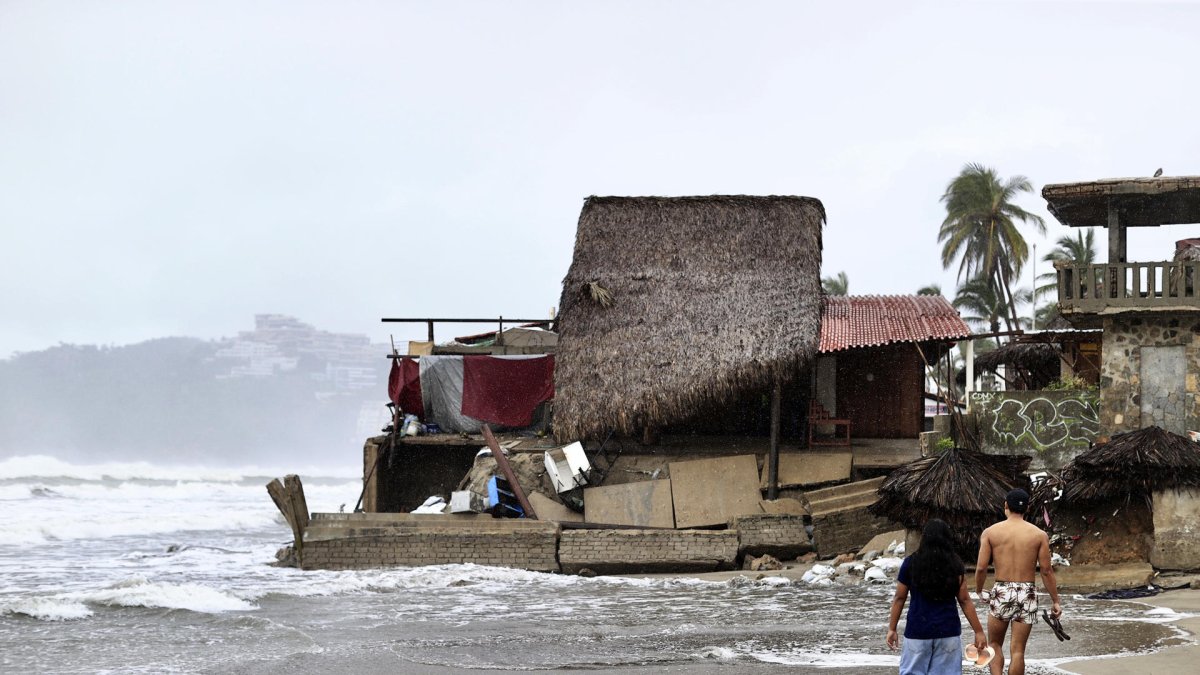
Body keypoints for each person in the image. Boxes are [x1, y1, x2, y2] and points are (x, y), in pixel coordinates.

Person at [975, 488, 1063, 675]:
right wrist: (1055, 600)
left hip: (1002, 590)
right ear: (1027, 508)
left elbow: (981, 567)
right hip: (1027, 592)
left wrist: (979, 589)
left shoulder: (990, 533)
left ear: (1006, 505)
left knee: (995, 644)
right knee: (1018, 650)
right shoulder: (1039, 535)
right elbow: (1046, 571)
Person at [886, 519, 987, 674]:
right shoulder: (955, 564)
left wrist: (892, 628)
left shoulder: (911, 563)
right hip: (948, 632)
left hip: (918, 631)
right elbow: (965, 600)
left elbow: (899, 598)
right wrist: (978, 631)